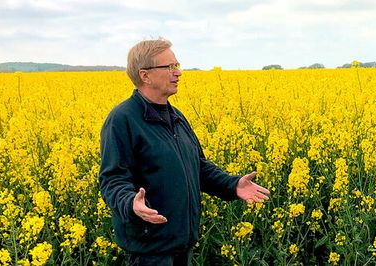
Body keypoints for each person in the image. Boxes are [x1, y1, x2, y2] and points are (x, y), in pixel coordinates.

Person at [98, 38, 270, 265]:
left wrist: (232, 185)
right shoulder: (123, 120)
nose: (177, 72)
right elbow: (112, 179)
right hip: (149, 251)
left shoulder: (176, 116)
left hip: (182, 244)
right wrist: (131, 203)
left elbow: (198, 167)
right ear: (145, 75)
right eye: (168, 67)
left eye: (177, 65)